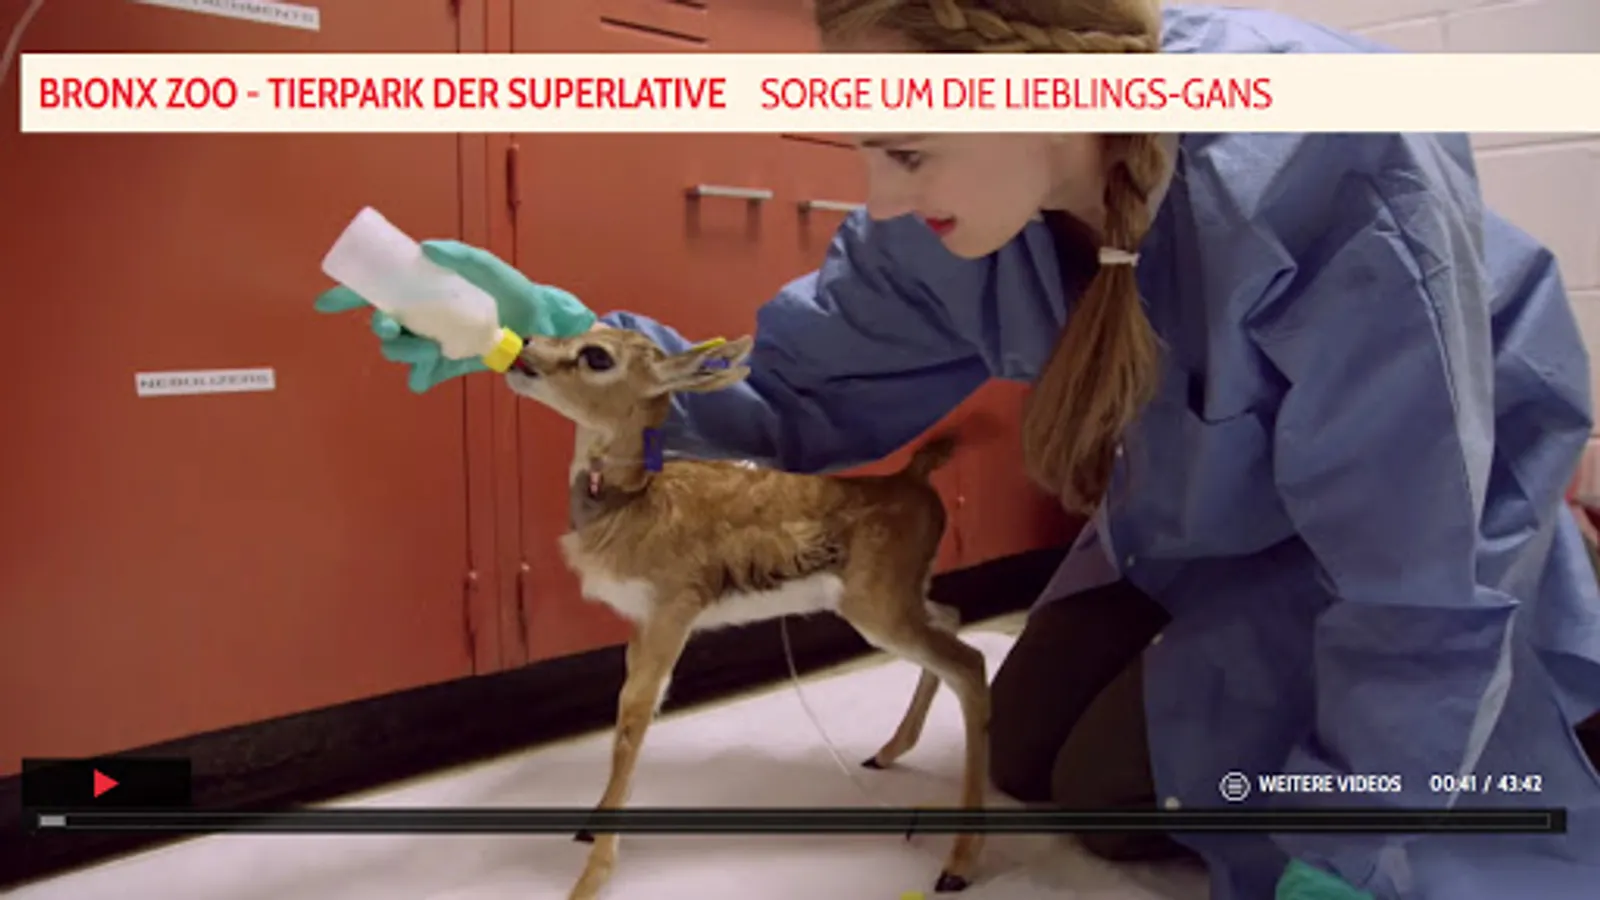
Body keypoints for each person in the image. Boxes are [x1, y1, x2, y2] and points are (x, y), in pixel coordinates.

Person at [314, 2, 1600, 898]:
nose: (879, 194)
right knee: (1034, 756)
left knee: (1186, 799)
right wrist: (559, 349)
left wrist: (1349, 844)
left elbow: (1416, 555)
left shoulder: (1324, 159)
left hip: (1413, 543)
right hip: (1200, 533)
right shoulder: (953, 223)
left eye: (907, 148)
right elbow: (791, 402)